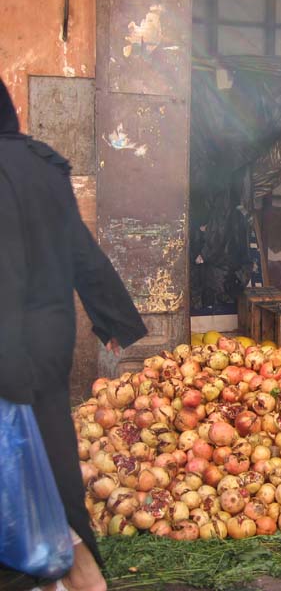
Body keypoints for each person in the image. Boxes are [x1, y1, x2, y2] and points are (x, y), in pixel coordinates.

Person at [0, 78, 147, 591]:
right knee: (52, 456)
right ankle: (78, 572)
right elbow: (80, 249)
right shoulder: (44, 166)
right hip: (49, 341)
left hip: (7, 344)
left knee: (18, 470)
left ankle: (40, 570)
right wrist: (113, 320)